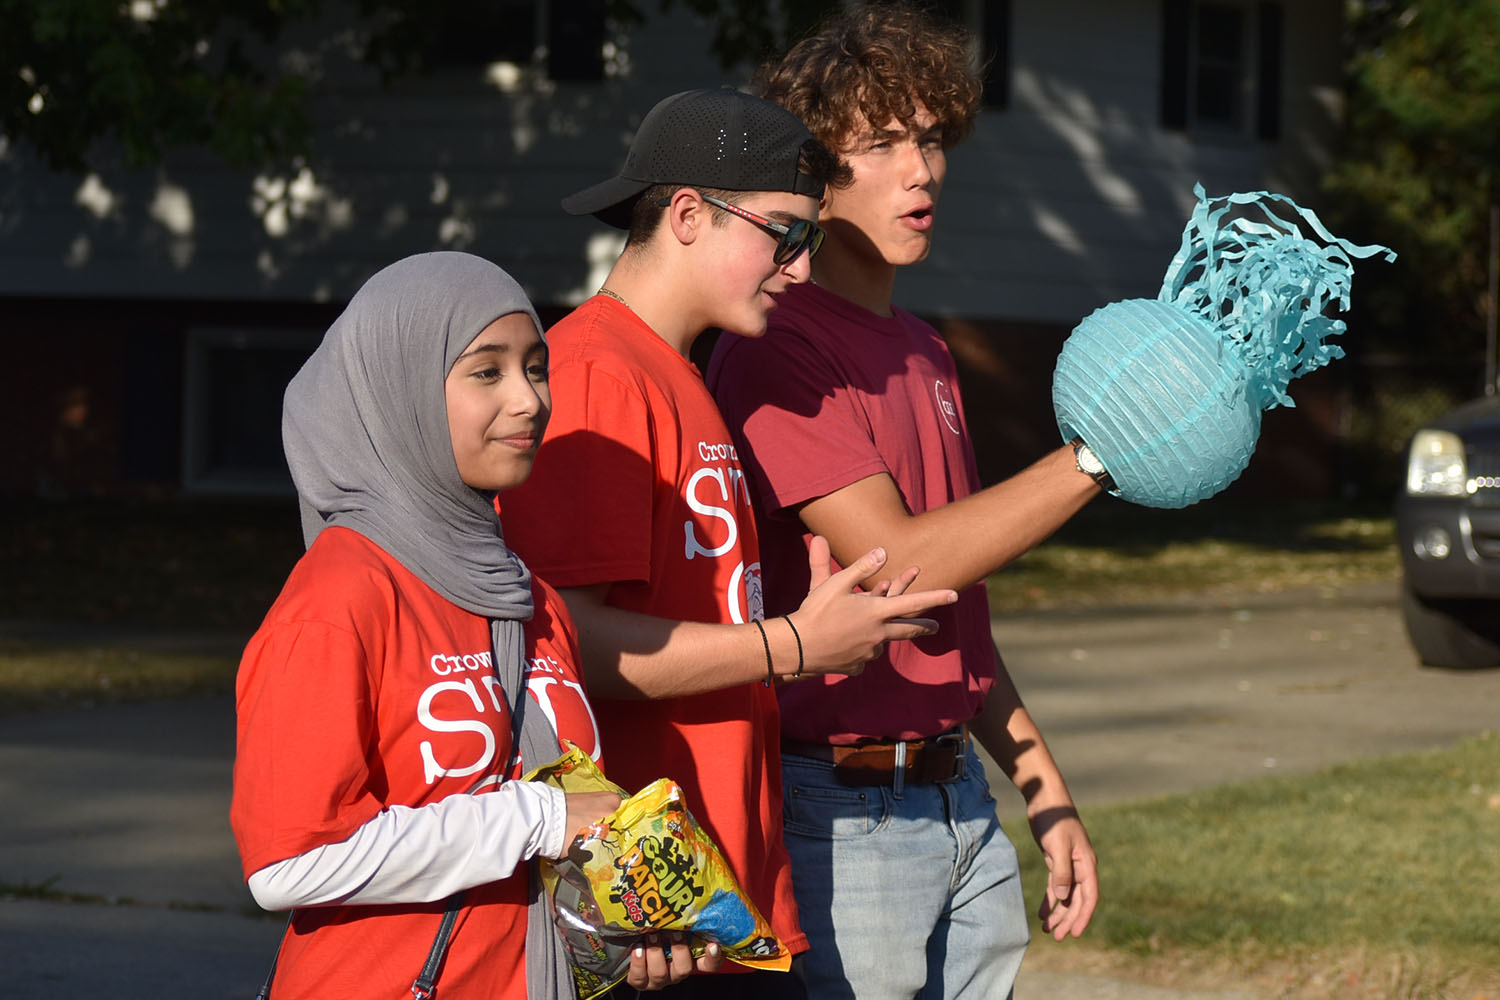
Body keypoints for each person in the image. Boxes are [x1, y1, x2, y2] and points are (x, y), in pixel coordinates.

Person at [499, 87, 960, 998]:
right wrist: (792, 645)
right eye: (784, 233)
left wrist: (795, 625)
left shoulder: (679, 373)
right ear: (684, 214)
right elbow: (569, 645)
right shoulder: (597, 375)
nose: (797, 268)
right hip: (656, 917)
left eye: (810, 241)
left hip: (723, 898)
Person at [706, 5, 1102, 998]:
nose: (922, 169)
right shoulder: (778, 345)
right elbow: (901, 561)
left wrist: (1045, 795)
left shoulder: (926, 350)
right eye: (882, 143)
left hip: (963, 802)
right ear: (814, 172)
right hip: (844, 812)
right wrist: (1102, 457)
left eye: (930, 138)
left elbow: (954, 613)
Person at [229, 251, 715, 999]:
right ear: (401, 394)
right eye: (486, 372)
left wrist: (631, 927)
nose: (528, 400)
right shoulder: (342, 595)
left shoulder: (531, 598)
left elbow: (554, 839)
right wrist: (539, 818)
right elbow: (289, 863)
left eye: (535, 367)